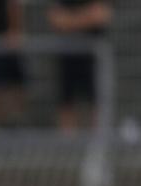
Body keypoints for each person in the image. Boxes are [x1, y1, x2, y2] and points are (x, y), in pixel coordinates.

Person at [48, 0, 112, 131]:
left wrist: (70, 21)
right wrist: (85, 18)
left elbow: (101, 15)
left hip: (93, 60)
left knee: (96, 101)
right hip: (67, 59)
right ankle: (69, 141)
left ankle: (97, 140)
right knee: (66, 101)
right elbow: (56, 19)